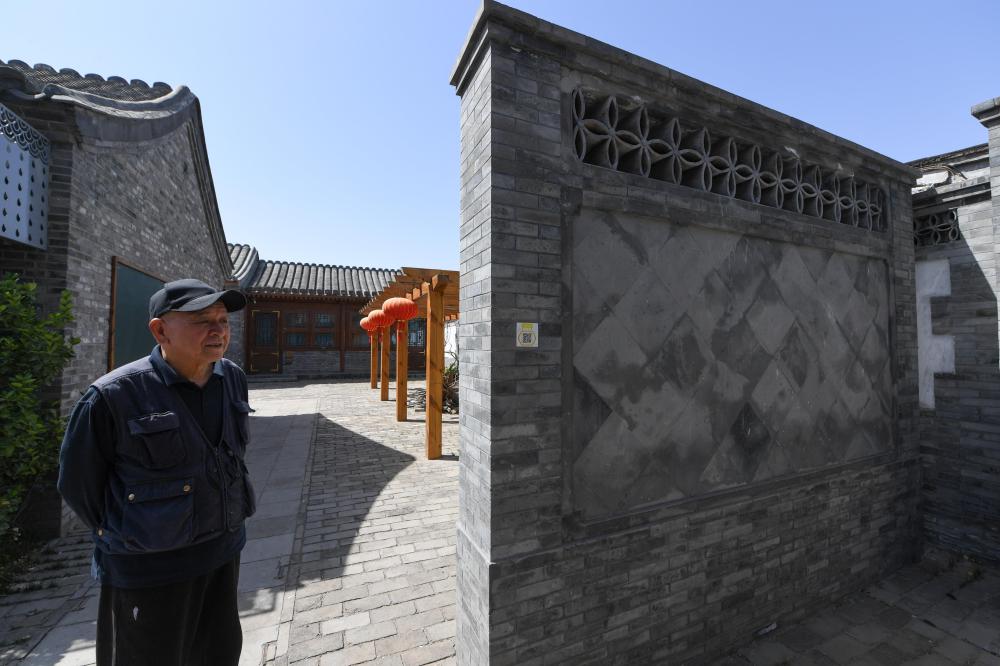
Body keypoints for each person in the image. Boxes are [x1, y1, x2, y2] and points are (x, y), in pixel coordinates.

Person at [58, 278, 255, 666]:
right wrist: (136, 530)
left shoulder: (232, 378)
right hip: (149, 570)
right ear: (160, 330)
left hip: (222, 554)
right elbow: (79, 485)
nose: (218, 330)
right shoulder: (113, 396)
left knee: (218, 654)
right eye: (202, 321)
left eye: (222, 320)